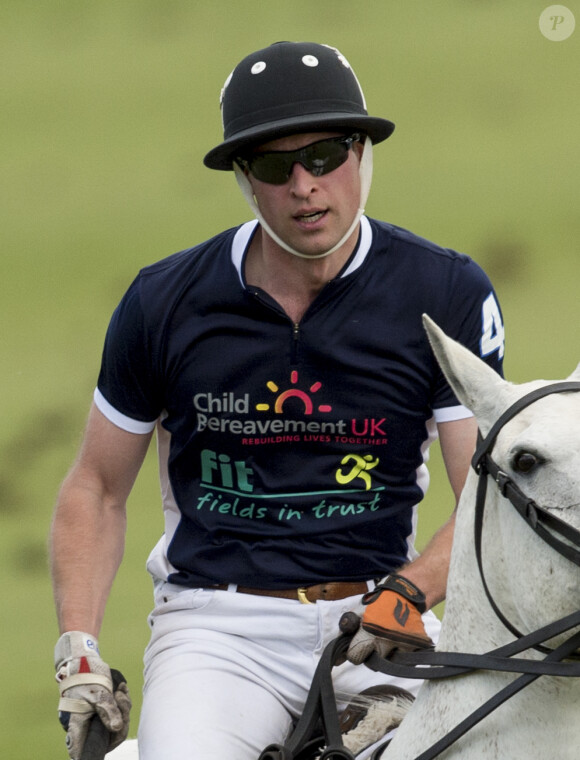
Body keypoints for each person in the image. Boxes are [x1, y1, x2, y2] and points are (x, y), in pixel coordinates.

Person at [50, 41, 505, 760]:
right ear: (244, 178)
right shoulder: (162, 301)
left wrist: (411, 592)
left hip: (382, 624)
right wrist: (77, 648)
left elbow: (486, 489)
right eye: (273, 165)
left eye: (324, 156)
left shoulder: (447, 292)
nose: (303, 186)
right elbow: (97, 487)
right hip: (216, 630)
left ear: (362, 153)